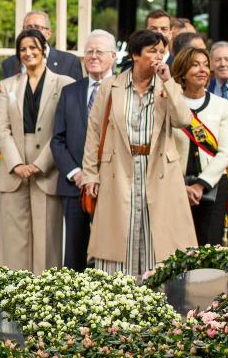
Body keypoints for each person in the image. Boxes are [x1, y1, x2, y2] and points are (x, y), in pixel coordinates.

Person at [82, 30, 196, 278]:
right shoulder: (111, 87)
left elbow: (183, 120)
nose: (158, 57)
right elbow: (93, 131)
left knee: (157, 238)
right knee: (120, 238)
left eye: (161, 52)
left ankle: (156, 299)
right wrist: (90, 173)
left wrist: (169, 83)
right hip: (119, 169)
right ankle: (120, 302)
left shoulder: (167, 86)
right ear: (135, 55)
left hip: (159, 171)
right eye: (152, 51)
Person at [0, 29, 75, 273]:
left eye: (33, 47)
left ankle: (44, 297)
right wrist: (16, 163)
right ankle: (14, 295)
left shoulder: (64, 83)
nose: (28, 53)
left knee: (46, 239)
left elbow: (62, 130)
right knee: (13, 239)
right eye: (23, 49)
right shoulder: (8, 85)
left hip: (47, 168)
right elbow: (2, 128)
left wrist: (40, 164)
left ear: (43, 50)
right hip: (13, 168)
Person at [51, 29, 117, 271]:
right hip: (74, 186)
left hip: (112, 185)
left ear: (113, 56)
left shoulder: (122, 90)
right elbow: (57, 139)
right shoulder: (70, 92)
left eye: (99, 51)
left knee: (110, 251)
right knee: (75, 252)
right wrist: (77, 173)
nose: (93, 56)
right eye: (89, 51)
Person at [172, 47, 228, 245]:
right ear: (182, 71)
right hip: (176, 185)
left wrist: (200, 185)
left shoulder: (221, 105)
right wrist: (182, 186)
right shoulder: (170, 103)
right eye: (195, 65)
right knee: (178, 249)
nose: (203, 70)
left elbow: (225, 152)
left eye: (206, 65)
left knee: (209, 249)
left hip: (213, 185)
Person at [0, 10, 83, 81]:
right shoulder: (9, 64)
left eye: (37, 27)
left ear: (49, 33)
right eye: (28, 27)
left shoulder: (70, 62)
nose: (32, 31)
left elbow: (77, 97)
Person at [208, 41, 228, 112]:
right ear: (211, 65)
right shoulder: (206, 89)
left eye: (227, 59)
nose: (223, 64)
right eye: (218, 60)